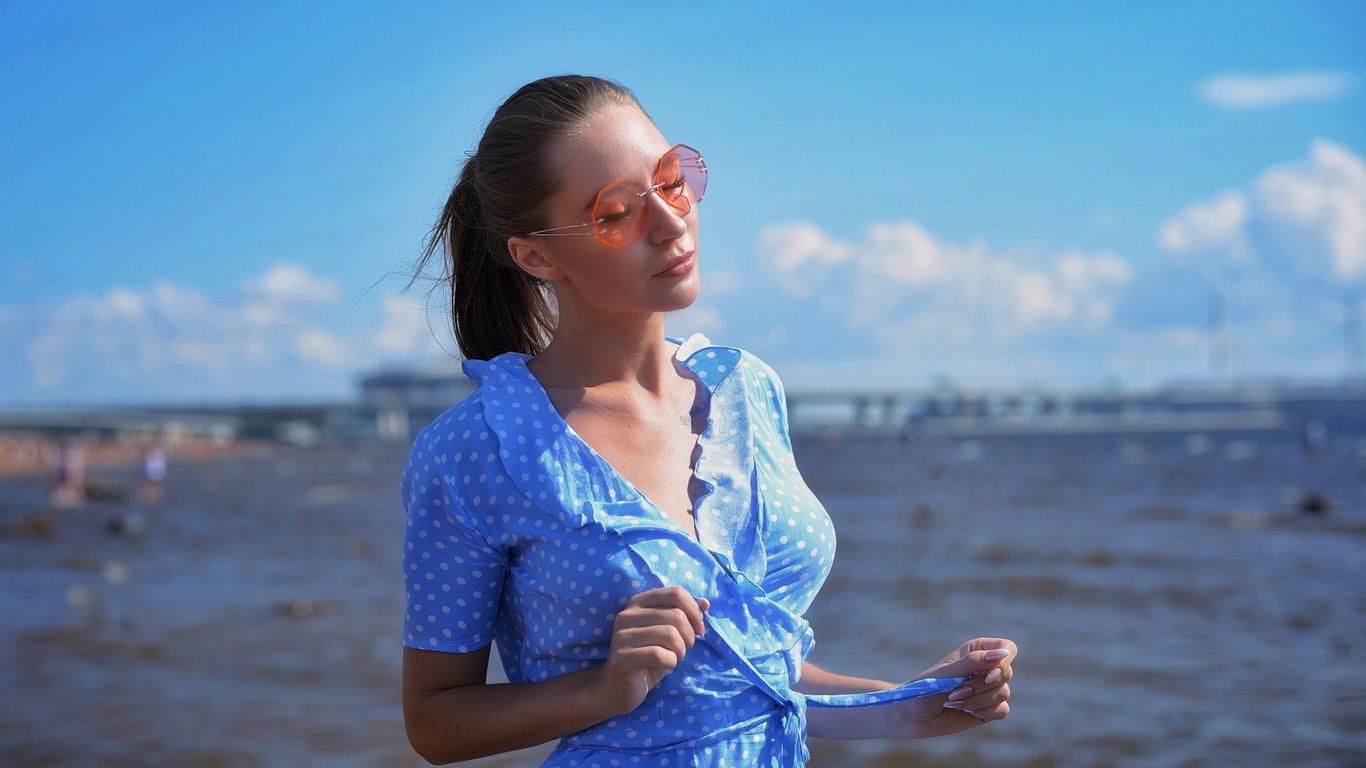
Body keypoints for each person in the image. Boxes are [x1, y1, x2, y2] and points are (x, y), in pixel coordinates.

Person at [401, 74, 1016, 767]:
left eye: (671, 180)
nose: (670, 221)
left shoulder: (746, 390)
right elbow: (433, 722)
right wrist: (603, 689)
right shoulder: (476, 449)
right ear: (536, 255)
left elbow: (748, 676)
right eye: (616, 213)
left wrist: (908, 707)